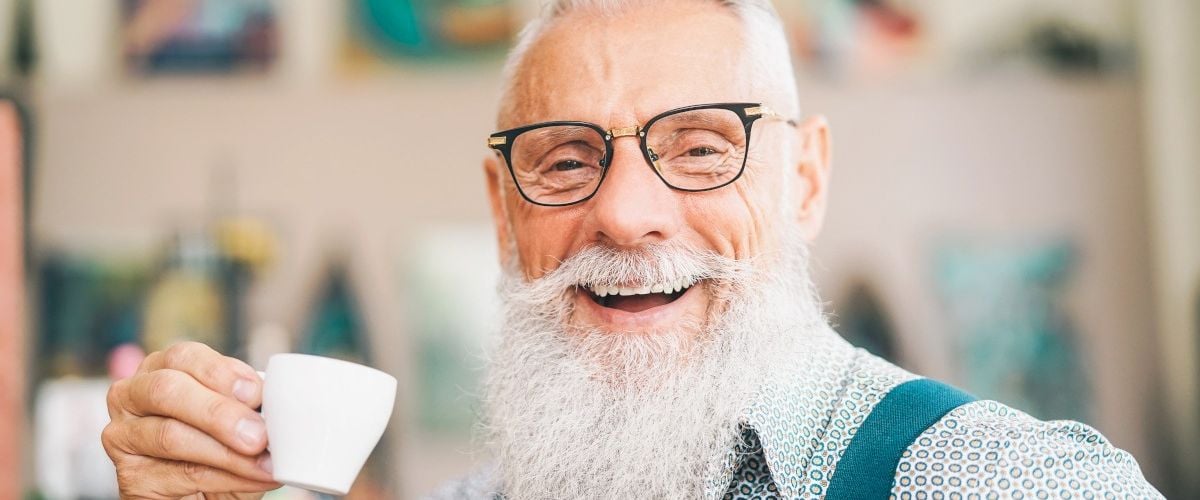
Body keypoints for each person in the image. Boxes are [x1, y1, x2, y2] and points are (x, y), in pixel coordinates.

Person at [102, 0, 1163, 498]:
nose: (624, 213)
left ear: (803, 180)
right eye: (564, 161)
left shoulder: (991, 480)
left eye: (700, 147)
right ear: (503, 209)